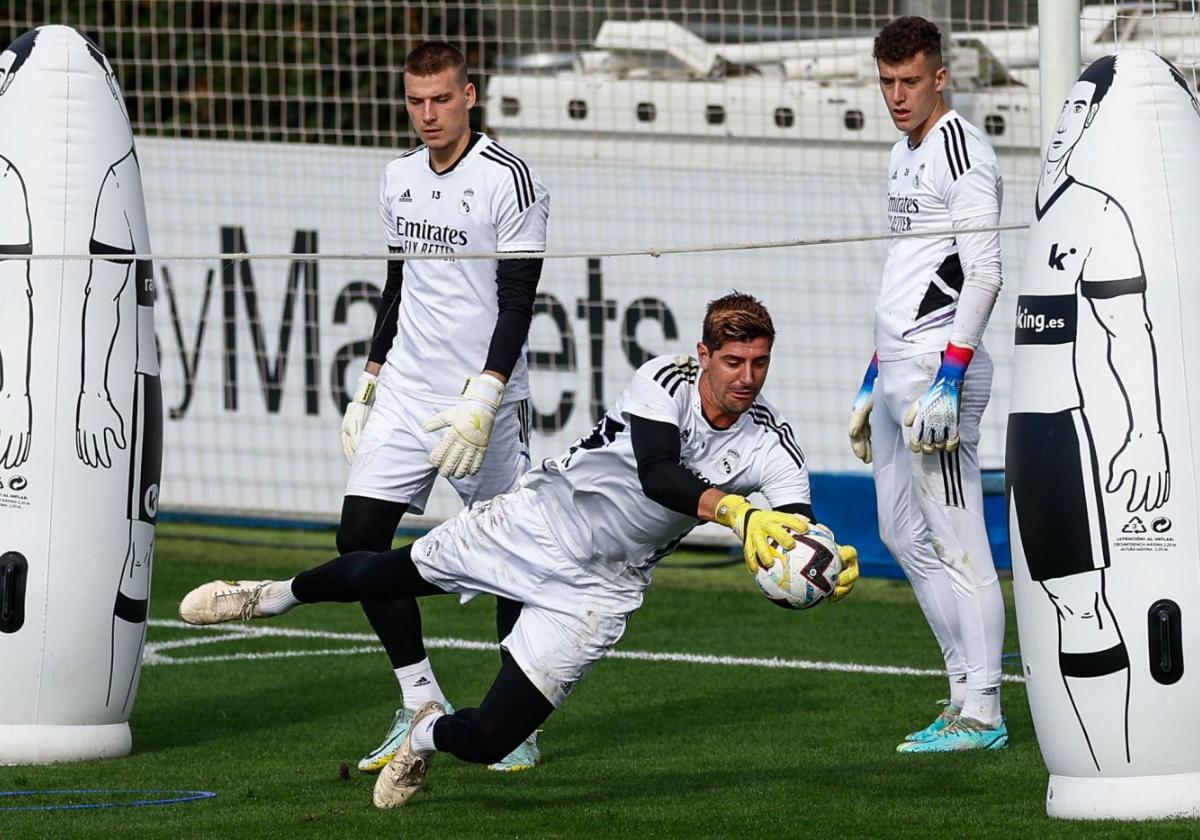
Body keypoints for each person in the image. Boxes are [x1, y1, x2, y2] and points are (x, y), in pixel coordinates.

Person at [180, 292, 860, 809]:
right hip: (537, 520)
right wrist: (737, 512)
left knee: (490, 741)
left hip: (601, 591)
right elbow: (659, 472)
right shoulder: (665, 380)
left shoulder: (773, 443)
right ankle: (268, 597)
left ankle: (424, 736)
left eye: (760, 362)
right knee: (382, 569)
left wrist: (816, 561)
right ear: (704, 353)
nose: (747, 377)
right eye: (734, 361)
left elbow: (790, 526)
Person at [335, 40, 549, 773]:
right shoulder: (396, 177)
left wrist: (486, 394)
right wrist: (369, 381)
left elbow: (519, 301)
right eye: (416, 101)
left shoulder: (509, 180)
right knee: (359, 535)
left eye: (441, 98)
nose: (428, 114)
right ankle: (419, 699)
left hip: (479, 400)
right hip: (404, 389)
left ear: (471, 95)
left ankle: (513, 724)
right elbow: (397, 284)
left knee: (512, 556)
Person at [1007, 54, 1174, 770]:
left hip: (1067, 433)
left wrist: (1147, 432)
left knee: (1081, 605)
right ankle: (1100, 769)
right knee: (1060, 601)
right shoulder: (1043, 216)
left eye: (1083, 114)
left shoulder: (1099, 212)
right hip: (1027, 435)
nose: (1067, 125)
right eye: (1066, 111)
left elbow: (1130, 328)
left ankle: (1118, 767)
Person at [847, 16, 1007, 752]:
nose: (897, 96)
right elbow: (912, 271)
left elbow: (983, 273)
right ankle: (958, 692)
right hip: (897, 369)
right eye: (886, 82)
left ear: (939, 77)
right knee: (900, 533)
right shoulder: (897, 154)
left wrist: (950, 375)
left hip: (939, 378)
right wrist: (874, 372)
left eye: (910, 81)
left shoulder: (964, 153)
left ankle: (986, 710)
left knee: (958, 540)